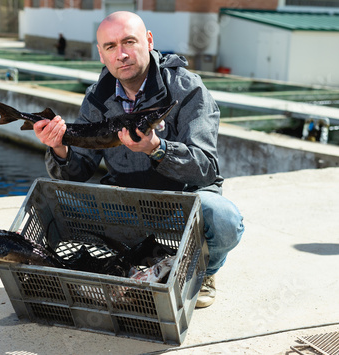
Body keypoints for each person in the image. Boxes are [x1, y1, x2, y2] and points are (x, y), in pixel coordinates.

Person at [33, 11, 244, 308]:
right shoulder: (97, 97)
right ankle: (112, 265)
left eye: (129, 42)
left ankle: (204, 272)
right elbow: (78, 172)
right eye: (110, 47)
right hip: (127, 204)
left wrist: (156, 148)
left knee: (223, 217)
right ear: (101, 54)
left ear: (148, 41)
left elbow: (205, 168)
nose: (121, 54)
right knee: (46, 202)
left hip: (181, 203)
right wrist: (59, 148)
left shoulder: (188, 89)